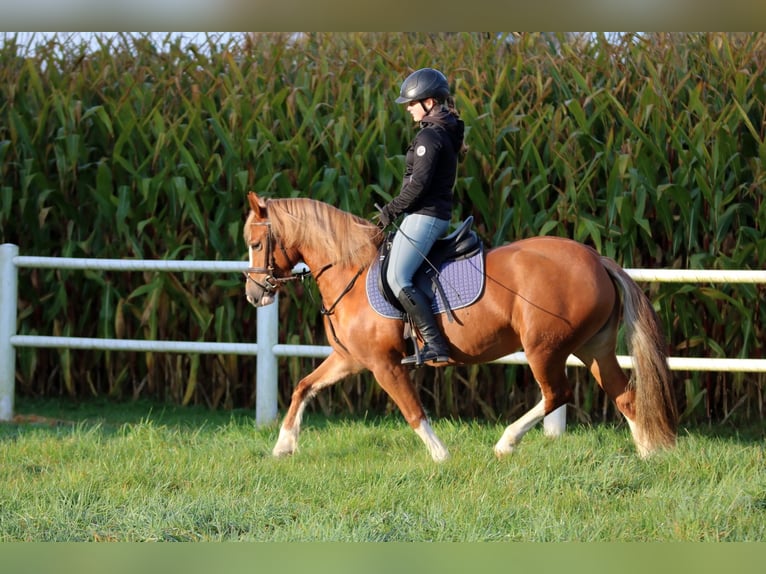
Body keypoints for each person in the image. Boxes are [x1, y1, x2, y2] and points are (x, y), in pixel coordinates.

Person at [376, 67, 466, 366]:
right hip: (427, 214)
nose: (409, 108)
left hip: (426, 215)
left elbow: (418, 185)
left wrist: (391, 209)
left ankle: (435, 344)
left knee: (397, 277)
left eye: (412, 103)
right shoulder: (442, 131)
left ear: (429, 102)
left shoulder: (431, 135)